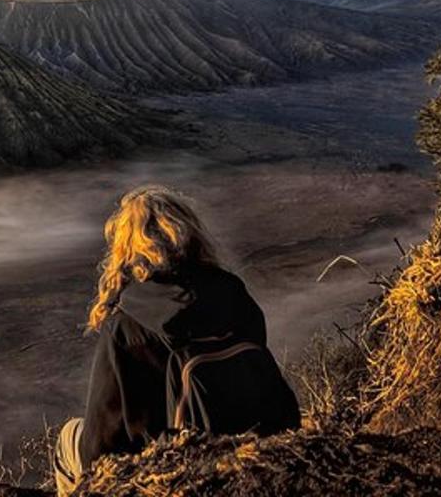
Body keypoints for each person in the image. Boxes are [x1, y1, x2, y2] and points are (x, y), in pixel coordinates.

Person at [54, 186, 300, 496]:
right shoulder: (233, 292)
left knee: (68, 436)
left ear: (126, 249)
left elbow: (101, 442)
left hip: (173, 465)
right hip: (254, 447)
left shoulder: (126, 325)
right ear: (191, 234)